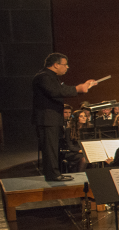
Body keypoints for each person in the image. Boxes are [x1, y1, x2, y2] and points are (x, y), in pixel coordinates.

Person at [32, 52, 98, 181]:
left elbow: (63, 89)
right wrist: (78, 88)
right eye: (65, 64)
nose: (67, 67)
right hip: (47, 119)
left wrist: (84, 86)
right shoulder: (43, 77)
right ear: (56, 65)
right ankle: (53, 175)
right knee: (50, 148)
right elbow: (56, 91)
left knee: (53, 147)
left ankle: (55, 173)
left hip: (51, 119)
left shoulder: (51, 77)